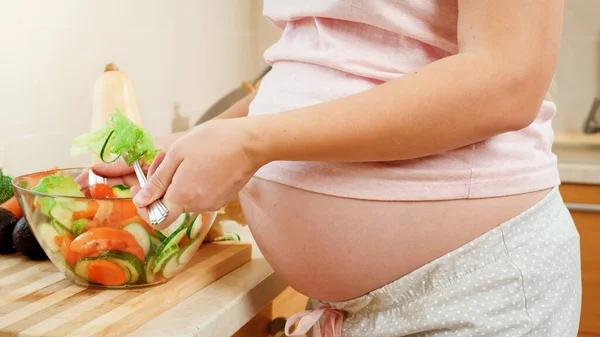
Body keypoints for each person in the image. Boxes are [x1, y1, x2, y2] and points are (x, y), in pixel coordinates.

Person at [94, 1, 582, 336]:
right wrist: (185, 145)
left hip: (470, 292)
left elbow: (508, 79)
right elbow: (329, 67)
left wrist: (249, 144)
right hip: (348, 311)